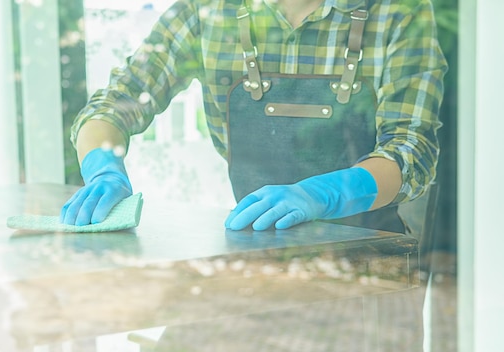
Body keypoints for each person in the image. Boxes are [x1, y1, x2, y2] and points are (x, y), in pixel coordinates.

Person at [60, 0, 447, 233]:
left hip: (371, 268)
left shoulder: (398, 10)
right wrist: (103, 167)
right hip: (254, 254)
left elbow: (410, 150)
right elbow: (115, 102)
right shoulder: (208, 10)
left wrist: (324, 195)